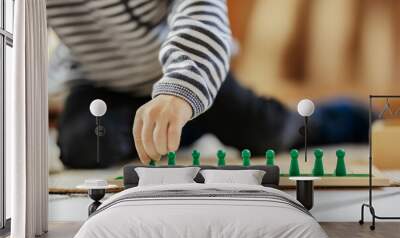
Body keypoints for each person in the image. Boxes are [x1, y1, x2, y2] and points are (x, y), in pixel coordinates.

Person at [47, 0, 369, 168]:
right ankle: (175, 132)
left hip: (194, 76)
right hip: (100, 84)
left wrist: (181, 89)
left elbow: (201, 9)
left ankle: (350, 117)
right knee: (82, 146)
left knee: (271, 133)